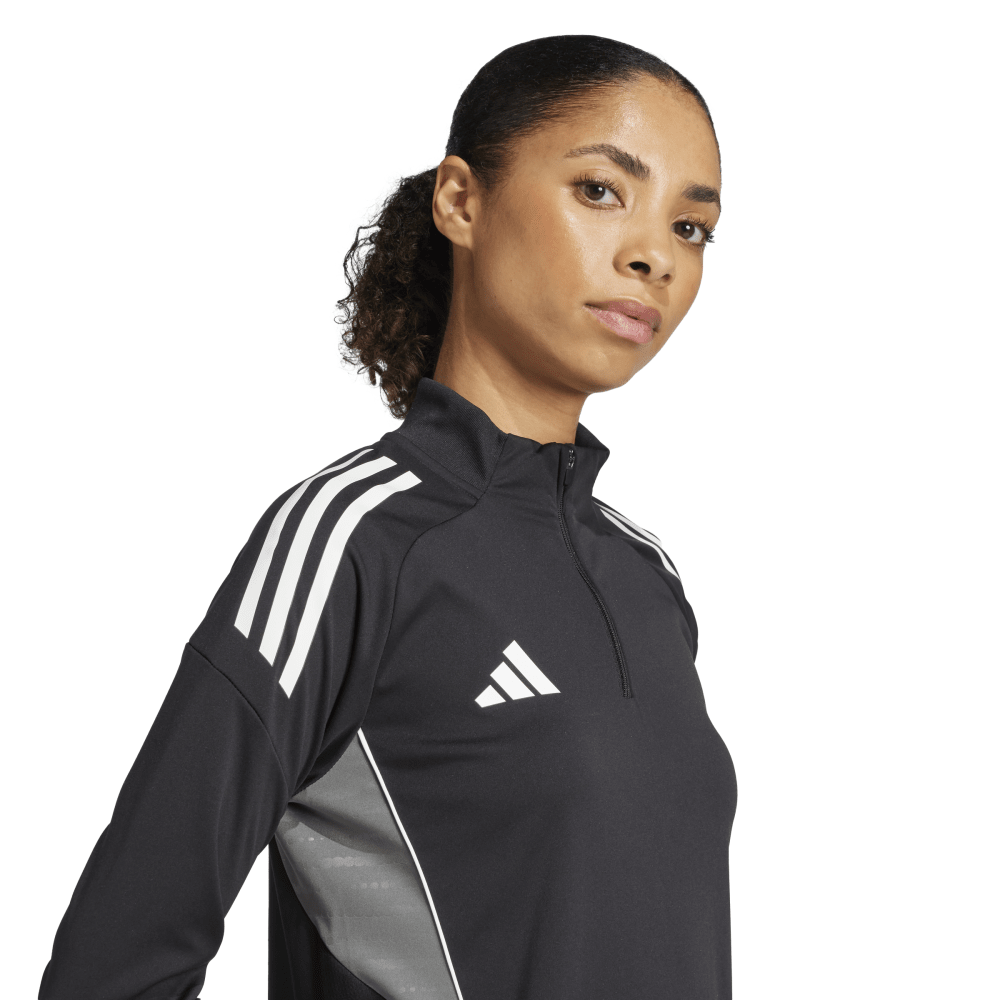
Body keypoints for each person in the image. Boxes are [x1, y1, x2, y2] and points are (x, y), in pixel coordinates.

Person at [40, 34, 736, 1000]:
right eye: (599, 191)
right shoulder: (349, 542)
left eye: (692, 228)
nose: (653, 255)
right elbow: (115, 967)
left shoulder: (644, 575)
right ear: (462, 201)